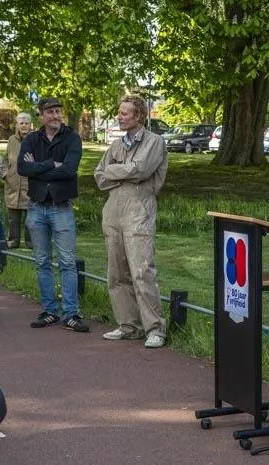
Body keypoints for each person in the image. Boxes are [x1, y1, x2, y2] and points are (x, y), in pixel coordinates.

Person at [94, 95, 169, 348]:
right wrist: (127, 171)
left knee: (141, 271)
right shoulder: (116, 145)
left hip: (139, 211)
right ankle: (129, 325)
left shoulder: (154, 142)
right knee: (116, 273)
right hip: (113, 211)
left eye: (124, 113)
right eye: (119, 112)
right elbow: (99, 176)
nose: (119, 116)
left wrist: (116, 170)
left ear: (138, 116)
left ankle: (155, 328)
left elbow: (142, 169)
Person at [18, 96, 88, 332]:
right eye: (51, 112)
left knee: (67, 262)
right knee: (42, 262)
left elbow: (69, 170)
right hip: (36, 207)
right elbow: (22, 168)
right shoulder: (31, 139)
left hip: (61, 207)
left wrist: (38, 168)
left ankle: (71, 313)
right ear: (41, 116)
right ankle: (49, 311)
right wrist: (51, 164)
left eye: (58, 111)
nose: (56, 116)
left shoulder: (72, 138)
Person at [1, 112, 33, 249]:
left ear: (30, 125)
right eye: (21, 123)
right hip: (13, 183)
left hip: (29, 183)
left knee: (30, 217)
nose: (24, 125)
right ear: (17, 125)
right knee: (13, 218)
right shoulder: (11, 140)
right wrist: (5, 174)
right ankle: (13, 241)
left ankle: (31, 242)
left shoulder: (36, 139)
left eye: (26, 123)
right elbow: (5, 159)